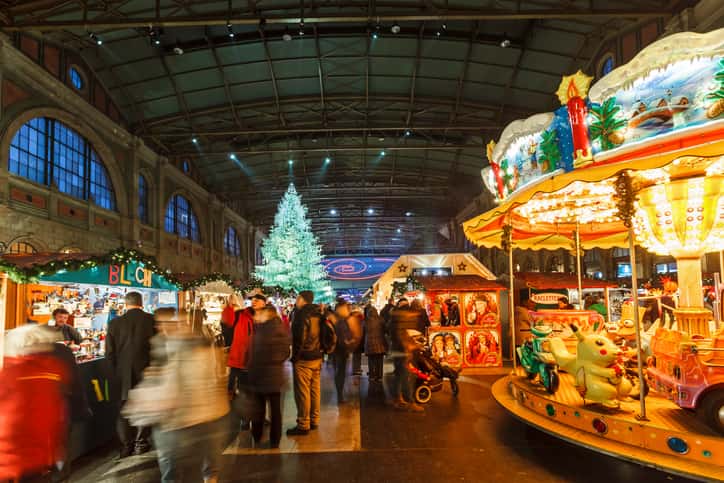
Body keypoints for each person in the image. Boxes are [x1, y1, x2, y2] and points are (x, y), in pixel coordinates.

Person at [124, 309, 229, 483]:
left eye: (171, 323)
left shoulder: (200, 346)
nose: (165, 328)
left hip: (202, 418)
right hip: (172, 422)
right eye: (161, 324)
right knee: (172, 470)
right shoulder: (158, 345)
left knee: (207, 468)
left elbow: (212, 381)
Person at [106, 291, 156, 458]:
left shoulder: (114, 323)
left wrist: (115, 372)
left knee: (123, 410)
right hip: (146, 372)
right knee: (145, 408)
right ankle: (140, 444)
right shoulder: (151, 321)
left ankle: (126, 446)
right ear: (141, 303)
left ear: (126, 304)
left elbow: (109, 353)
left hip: (122, 374)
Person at [248, 306, 291, 449]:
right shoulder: (281, 329)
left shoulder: (261, 330)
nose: (258, 315)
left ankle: (257, 435)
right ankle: (275, 440)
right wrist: (276, 362)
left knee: (258, 409)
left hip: (261, 375)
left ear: (268, 315)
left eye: (261, 313)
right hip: (276, 376)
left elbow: (254, 354)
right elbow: (286, 352)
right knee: (276, 411)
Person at [287, 290, 323, 436]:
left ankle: (303, 424)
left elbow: (299, 340)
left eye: (297, 298)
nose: (296, 300)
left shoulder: (301, 315)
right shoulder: (319, 313)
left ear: (302, 299)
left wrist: (295, 357)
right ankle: (314, 420)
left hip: (304, 358)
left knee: (302, 392)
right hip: (317, 356)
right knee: (315, 390)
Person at [228, 293, 266, 430]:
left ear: (264, 303)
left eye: (257, 300)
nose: (254, 302)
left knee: (259, 391)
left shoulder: (267, 317)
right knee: (244, 390)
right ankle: (245, 418)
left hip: (259, 360)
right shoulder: (241, 315)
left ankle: (260, 416)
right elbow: (228, 325)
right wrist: (229, 305)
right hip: (242, 359)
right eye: (253, 300)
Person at [386, 299, 424, 412]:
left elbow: (397, 333)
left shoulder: (397, 315)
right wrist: (408, 348)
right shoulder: (405, 317)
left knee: (399, 375)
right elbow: (401, 334)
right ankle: (410, 402)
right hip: (402, 352)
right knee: (407, 377)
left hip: (396, 350)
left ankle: (397, 398)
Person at [332, 302, 364, 404]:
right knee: (340, 373)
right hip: (340, 350)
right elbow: (342, 336)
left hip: (340, 350)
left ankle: (340, 394)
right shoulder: (340, 321)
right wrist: (348, 342)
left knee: (340, 373)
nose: (348, 310)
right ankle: (340, 395)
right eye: (346, 308)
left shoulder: (340, 320)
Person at [364, 305, 387, 384]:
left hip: (369, 344)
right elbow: (385, 329)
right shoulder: (381, 320)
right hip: (380, 344)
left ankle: (372, 376)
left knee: (371, 361)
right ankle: (379, 376)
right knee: (379, 361)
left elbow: (363, 331)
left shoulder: (366, 321)